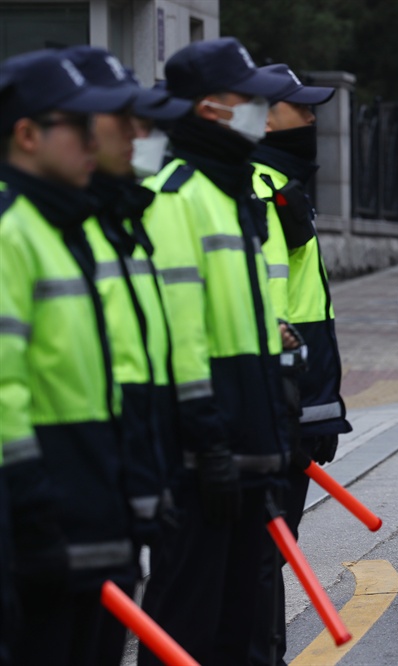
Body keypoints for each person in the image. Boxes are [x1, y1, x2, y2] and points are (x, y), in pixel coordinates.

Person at [136, 38, 292, 664]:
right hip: (206, 459)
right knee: (188, 627)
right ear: (208, 109)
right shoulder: (176, 197)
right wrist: (208, 443)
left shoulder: (231, 193)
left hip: (249, 449)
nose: (261, 109)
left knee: (241, 630)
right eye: (247, 98)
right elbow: (180, 336)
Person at [0, 49, 138, 664]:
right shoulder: (12, 232)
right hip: (37, 532)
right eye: (78, 126)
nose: (96, 140)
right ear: (27, 135)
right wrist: (33, 512)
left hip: (84, 516)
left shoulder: (63, 226)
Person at [64, 45, 190, 553]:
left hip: (126, 452)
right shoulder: (24, 228)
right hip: (62, 489)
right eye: (125, 120)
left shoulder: (120, 217)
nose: (141, 135)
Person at [250, 63, 353, 661]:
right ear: (262, 115)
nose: (312, 118)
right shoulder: (261, 188)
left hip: (294, 402)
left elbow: (306, 309)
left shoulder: (284, 184)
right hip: (272, 405)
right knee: (260, 559)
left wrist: (322, 408)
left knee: (270, 556)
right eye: (299, 107)